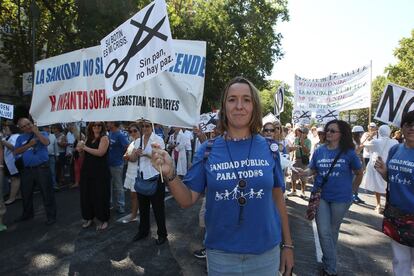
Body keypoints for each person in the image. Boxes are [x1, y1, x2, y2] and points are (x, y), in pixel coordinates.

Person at [151, 77, 294, 275]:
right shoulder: (208, 149)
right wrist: (170, 173)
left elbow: (279, 201)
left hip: (266, 253)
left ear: (254, 107)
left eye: (246, 100)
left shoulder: (270, 149)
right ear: (224, 107)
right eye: (232, 99)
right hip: (221, 255)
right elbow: (187, 199)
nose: (239, 106)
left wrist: (288, 246)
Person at [297, 120, 363, 276]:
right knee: (323, 231)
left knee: (332, 232)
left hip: (341, 198)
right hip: (321, 196)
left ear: (341, 134)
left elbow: (359, 173)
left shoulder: (349, 152)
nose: (328, 133)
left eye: (333, 131)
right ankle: (331, 269)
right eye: (328, 130)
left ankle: (328, 265)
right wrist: (304, 173)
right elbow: (312, 169)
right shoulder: (319, 151)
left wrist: (353, 192)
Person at [374, 111, 414, 276]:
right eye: (408, 124)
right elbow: (392, 179)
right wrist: (384, 172)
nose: (412, 128)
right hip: (397, 214)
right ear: (402, 128)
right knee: (400, 261)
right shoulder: (395, 149)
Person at [14, 118, 56, 225]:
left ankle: (51, 216)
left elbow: (46, 142)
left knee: (47, 193)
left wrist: (36, 132)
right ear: (21, 128)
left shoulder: (42, 132)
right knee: (26, 193)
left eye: (28, 124)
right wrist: (29, 145)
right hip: (27, 170)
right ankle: (27, 214)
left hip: (42, 168)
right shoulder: (20, 138)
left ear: (32, 123)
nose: (27, 127)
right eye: (23, 126)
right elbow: (16, 151)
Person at [132, 120, 167, 245]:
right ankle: (143, 231)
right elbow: (132, 158)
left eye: (147, 126)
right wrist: (135, 154)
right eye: (142, 126)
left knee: (158, 209)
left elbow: (161, 158)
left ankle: (162, 234)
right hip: (142, 179)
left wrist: (146, 154)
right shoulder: (137, 141)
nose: (145, 128)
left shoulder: (158, 139)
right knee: (143, 208)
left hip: (156, 178)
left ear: (152, 126)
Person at [77, 122, 110, 230]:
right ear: (90, 127)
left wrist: (84, 147)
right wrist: (80, 150)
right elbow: (83, 156)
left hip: (100, 172)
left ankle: (103, 219)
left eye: (99, 125)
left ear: (102, 127)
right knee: (86, 195)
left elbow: (100, 152)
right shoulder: (87, 138)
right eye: (94, 125)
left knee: (100, 195)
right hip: (87, 171)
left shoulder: (104, 138)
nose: (96, 127)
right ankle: (88, 217)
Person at [361, 125, 398, 213]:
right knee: (388, 186)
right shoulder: (395, 142)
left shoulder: (375, 141)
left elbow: (363, 144)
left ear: (379, 131)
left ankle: (378, 205)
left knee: (377, 186)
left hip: (376, 166)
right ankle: (387, 204)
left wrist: (369, 136)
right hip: (389, 166)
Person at [107, 121, 129, 214]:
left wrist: (124, 156)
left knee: (118, 186)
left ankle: (121, 205)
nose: (107, 124)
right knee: (108, 185)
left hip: (117, 164)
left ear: (113, 124)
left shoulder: (120, 135)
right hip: (108, 163)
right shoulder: (110, 133)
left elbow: (128, 146)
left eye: (109, 122)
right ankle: (109, 204)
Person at [122, 123, 141, 224]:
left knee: (134, 196)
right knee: (133, 195)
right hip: (130, 171)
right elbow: (125, 155)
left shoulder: (140, 142)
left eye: (135, 130)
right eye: (130, 131)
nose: (132, 133)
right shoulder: (132, 143)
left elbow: (132, 158)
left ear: (139, 130)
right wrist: (128, 156)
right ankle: (135, 213)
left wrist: (128, 156)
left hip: (136, 172)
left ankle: (133, 215)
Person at [288, 127, 311, 198]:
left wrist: (302, 144)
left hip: (303, 160)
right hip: (296, 159)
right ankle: (294, 190)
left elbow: (307, 151)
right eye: (300, 132)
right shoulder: (296, 139)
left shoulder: (308, 141)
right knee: (293, 175)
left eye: (303, 132)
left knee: (303, 177)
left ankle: (303, 192)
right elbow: (293, 148)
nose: (301, 133)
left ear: (306, 134)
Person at [1, 124, 21, 204]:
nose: (5, 130)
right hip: (8, 161)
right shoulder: (7, 137)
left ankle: (12, 198)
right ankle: (19, 195)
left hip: (14, 161)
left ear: (12, 130)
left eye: (6, 129)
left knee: (15, 178)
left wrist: (3, 141)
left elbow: (13, 147)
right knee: (14, 178)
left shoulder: (16, 136)